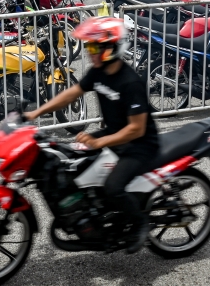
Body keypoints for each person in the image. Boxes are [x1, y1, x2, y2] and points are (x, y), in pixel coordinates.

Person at [24, 17, 159, 253]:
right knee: (71, 163)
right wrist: (35, 113)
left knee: (113, 187)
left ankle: (140, 224)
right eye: (89, 47)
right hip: (113, 134)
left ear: (112, 47)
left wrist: (99, 141)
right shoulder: (99, 72)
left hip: (139, 145)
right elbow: (71, 94)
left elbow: (136, 128)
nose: (89, 53)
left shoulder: (130, 83)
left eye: (95, 47)